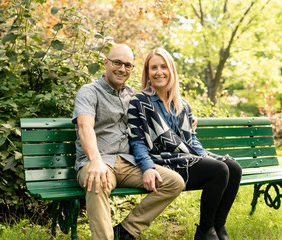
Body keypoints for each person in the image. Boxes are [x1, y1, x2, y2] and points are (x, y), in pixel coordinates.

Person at [72, 43, 185, 240]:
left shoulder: (134, 95)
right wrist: (96, 161)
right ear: (106, 63)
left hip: (127, 162)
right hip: (97, 162)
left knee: (173, 182)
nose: (122, 69)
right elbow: (85, 127)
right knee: (98, 180)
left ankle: (126, 231)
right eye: (117, 63)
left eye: (128, 65)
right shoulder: (89, 92)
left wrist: (187, 117)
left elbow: (162, 114)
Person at [127, 48, 242, 240]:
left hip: (185, 157)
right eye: (153, 67)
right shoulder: (139, 102)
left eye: (163, 67)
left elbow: (191, 141)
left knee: (234, 167)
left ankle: (219, 227)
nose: (159, 72)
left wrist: (203, 155)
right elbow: (137, 141)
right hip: (163, 162)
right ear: (147, 72)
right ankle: (205, 231)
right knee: (219, 170)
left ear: (171, 70)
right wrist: (147, 167)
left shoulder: (182, 104)